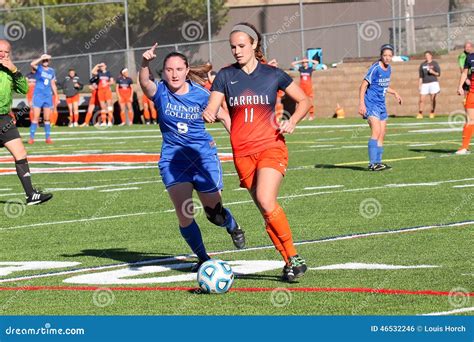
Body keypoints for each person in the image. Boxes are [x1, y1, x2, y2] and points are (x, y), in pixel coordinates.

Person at [203, 23, 311, 282]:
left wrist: (293, 120)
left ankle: (294, 255)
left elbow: (305, 101)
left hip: (271, 146)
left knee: (265, 198)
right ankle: (288, 263)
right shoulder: (225, 76)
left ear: (254, 45)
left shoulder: (273, 74)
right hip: (242, 153)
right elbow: (213, 107)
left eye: (242, 46)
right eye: (232, 47)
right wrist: (209, 113)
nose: (237, 51)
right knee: (266, 210)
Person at [139, 43, 246, 271]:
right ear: (164, 72)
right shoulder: (160, 92)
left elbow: (226, 118)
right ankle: (203, 258)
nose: (174, 74)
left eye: (179, 69)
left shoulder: (202, 95)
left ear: (187, 71)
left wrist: (240, 146)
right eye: (169, 69)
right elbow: (144, 83)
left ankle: (232, 225)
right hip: (173, 160)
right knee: (184, 212)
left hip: (202, 158)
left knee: (213, 215)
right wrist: (144, 63)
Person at [0, 40, 52, 205]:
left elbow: (23, 88)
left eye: (5, 52)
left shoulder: (10, 71)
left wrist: (14, 70)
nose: (2, 54)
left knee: (20, 154)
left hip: (4, 119)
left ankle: (31, 195)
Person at [358, 44, 402, 171]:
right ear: (381, 56)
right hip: (371, 104)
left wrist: (394, 93)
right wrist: (361, 104)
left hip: (381, 105)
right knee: (376, 132)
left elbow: (383, 86)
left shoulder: (389, 69)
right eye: (385, 55)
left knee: (382, 134)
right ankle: (372, 164)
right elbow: (363, 86)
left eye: (390, 55)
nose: (387, 58)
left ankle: (378, 162)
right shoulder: (375, 68)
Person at [29, 53, 58, 144]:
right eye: (44, 60)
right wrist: (41, 57)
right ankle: (31, 137)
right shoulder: (39, 68)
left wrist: (56, 95)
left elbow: (53, 84)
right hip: (38, 95)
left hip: (48, 96)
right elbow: (32, 64)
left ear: (49, 61)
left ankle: (48, 138)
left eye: (47, 60)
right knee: (36, 117)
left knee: (47, 118)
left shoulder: (52, 71)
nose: (45, 61)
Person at [456, 49, 474, 155]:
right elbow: (464, 73)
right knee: (470, 120)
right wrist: (460, 87)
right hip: (472, 92)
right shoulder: (470, 57)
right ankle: (464, 147)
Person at [417, 51, 441, 119]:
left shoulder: (435, 63)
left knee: (433, 99)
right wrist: (419, 85)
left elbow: (438, 74)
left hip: (433, 82)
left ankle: (432, 112)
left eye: (428, 55)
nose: (427, 57)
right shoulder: (422, 64)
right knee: (421, 99)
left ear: (431, 56)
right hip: (425, 83)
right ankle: (420, 113)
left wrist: (432, 72)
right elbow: (421, 76)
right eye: (426, 55)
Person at [91, 62, 114, 126]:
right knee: (102, 107)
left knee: (109, 106)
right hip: (100, 91)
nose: (102, 67)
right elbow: (92, 72)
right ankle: (104, 122)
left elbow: (112, 82)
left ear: (105, 66)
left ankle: (109, 121)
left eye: (103, 66)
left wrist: (108, 83)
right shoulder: (99, 73)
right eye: (101, 66)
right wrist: (97, 65)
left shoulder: (108, 73)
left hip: (107, 91)